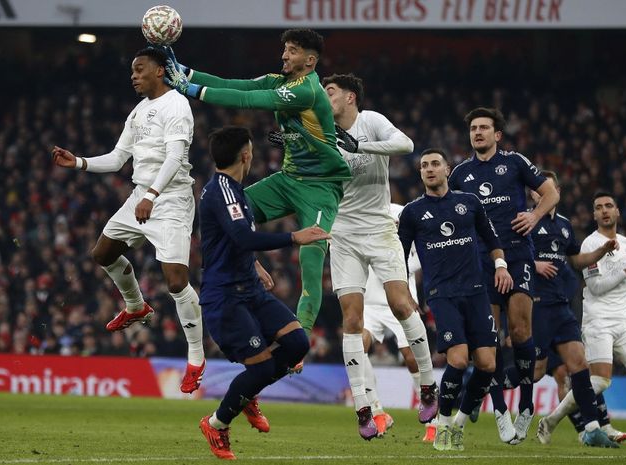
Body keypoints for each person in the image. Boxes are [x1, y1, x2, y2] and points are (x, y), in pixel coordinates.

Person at [163, 29, 351, 344]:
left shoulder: (307, 90)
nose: (284, 55)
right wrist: (187, 72)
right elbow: (239, 85)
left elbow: (249, 100)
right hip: (288, 178)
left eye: (291, 51)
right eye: (285, 49)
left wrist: (191, 90)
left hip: (321, 186)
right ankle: (248, 267)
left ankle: (301, 335)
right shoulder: (282, 81)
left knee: (311, 259)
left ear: (309, 59)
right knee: (231, 213)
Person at [51, 47, 205, 394]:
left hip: (171, 199)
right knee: (102, 253)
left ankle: (196, 358)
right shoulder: (138, 111)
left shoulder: (177, 105)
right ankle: (136, 306)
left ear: (160, 71)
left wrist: (151, 195)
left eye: (139, 69)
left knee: (177, 281)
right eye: (132, 71)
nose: (133, 76)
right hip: (141, 195)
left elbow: (176, 156)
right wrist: (78, 162)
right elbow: (119, 158)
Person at [318, 73, 437, 439]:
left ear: (350, 97)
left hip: (381, 225)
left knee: (403, 306)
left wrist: (360, 145)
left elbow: (405, 143)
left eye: (331, 92)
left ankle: (429, 387)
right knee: (351, 320)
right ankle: (364, 409)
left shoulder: (371, 121)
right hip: (344, 233)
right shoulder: (322, 131)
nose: (325, 97)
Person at [197, 126, 328, 460]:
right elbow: (242, 236)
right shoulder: (222, 190)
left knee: (298, 343)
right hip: (225, 296)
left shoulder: (235, 190)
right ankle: (217, 423)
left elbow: (232, 238)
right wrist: (293, 238)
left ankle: (247, 392)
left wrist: (252, 264)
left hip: (249, 288)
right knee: (261, 369)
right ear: (246, 154)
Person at [448, 107, 559, 443]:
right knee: (488, 340)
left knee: (521, 330)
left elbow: (551, 190)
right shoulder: (460, 174)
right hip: (480, 261)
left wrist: (536, 215)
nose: (478, 133)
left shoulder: (514, 162)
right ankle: (500, 412)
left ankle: (526, 404)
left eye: (484, 128)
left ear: (497, 135)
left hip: (516, 254)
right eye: (474, 128)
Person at [399, 149, 513, 451]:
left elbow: (492, 240)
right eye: (424, 166)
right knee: (460, 359)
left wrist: (500, 266)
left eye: (435, 164)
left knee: (487, 365)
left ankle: (459, 423)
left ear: (447, 169)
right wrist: (404, 291)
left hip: (476, 292)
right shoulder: (412, 212)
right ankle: (444, 425)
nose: (429, 169)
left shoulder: (470, 203)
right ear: (421, 173)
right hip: (441, 294)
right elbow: (397, 256)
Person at [537, 191, 626, 450]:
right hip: (598, 321)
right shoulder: (588, 245)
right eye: (599, 207)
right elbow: (596, 288)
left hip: (625, 320)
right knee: (599, 382)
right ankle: (550, 421)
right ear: (595, 214)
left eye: (609, 206)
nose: (605, 210)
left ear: (617, 211)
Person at [518, 170, 619, 447]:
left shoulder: (564, 225)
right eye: (537, 191)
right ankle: (484, 384)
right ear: (532, 194)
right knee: (536, 373)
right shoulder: (524, 220)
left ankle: (593, 427)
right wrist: (533, 264)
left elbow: (576, 260)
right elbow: (508, 256)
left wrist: (602, 251)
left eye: (547, 190)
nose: (541, 194)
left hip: (561, 307)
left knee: (579, 365)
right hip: (536, 305)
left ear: (557, 193)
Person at [361, 203, 425, 438]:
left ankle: (432, 419)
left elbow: (421, 253)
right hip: (370, 299)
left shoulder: (403, 212)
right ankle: (378, 413)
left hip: (400, 295)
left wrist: (395, 267)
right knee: (358, 347)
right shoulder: (360, 211)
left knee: (411, 357)